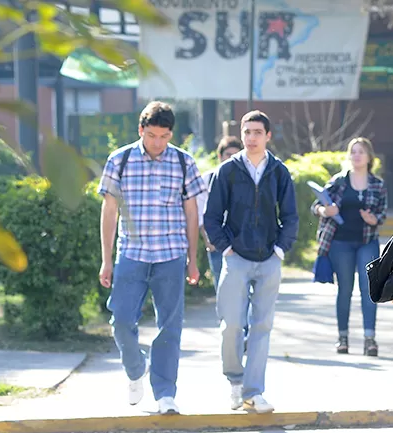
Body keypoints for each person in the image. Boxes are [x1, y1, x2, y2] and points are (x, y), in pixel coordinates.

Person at [97, 101, 206, 415]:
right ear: (141, 130)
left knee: (170, 326)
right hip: (131, 253)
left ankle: (165, 393)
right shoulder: (120, 160)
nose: (158, 143)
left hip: (171, 255)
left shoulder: (183, 162)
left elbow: (191, 211)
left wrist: (193, 258)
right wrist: (106, 260)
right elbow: (109, 211)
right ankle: (135, 370)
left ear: (171, 134)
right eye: (152, 135)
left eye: (164, 136)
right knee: (121, 320)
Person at [204, 110, 299, 413]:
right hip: (236, 259)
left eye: (257, 132)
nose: (251, 137)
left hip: (269, 259)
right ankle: (234, 381)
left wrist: (280, 251)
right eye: (247, 132)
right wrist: (225, 249)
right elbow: (212, 217)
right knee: (232, 324)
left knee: (262, 326)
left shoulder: (279, 171)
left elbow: (291, 216)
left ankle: (253, 391)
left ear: (268, 136)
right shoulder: (228, 171)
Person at [311, 137, 387, 356]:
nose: (356, 156)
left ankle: (369, 339)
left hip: (367, 242)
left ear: (369, 156)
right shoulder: (339, 181)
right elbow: (316, 206)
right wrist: (326, 211)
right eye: (353, 152)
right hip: (340, 242)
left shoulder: (377, 184)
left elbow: (382, 213)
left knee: (368, 290)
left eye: (361, 152)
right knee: (344, 289)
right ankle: (342, 338)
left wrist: (374, 219)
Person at [198, 135, 244, 289]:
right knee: (223, 291)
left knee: (245, 293)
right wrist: (208, 240)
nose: (231, 159)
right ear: (220, 156)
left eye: (235, 155)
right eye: (228, 155)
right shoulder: (208, 179)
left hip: (243, 244)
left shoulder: (247, 180)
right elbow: (200, 212)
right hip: (218, 243)